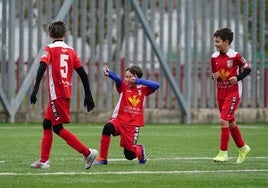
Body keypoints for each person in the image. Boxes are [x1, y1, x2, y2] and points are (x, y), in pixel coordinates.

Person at [30, 20, 98, 169]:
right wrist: (88, 94)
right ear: (65, 34)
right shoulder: (71, 51)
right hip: (65, 93)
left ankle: (87, 153)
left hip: (57, 95)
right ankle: (43, 161)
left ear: (49, 34)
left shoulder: (49, 49)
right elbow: (83, 73)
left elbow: (42, 67)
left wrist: (34, 90)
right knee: (47, 124)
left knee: (58, 128)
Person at [93, 64, 159, 165]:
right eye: (126, 76)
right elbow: (118, 80)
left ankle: (139, 150)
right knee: (107, 128)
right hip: (119, 120)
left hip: (132, 125)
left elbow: (156, 85)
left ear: (136, 77)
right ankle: (102, 158)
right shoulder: (123, 86)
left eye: (129, 77)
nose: (127, 79)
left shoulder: (144, 89)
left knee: (129, 155)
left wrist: (139, 81)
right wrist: (109, 74)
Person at [211, 27, 251, 164]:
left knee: (223, 120)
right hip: (221, 92)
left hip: (233, 92)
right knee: (231, 122)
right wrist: (214, 76)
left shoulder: (236, 56)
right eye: (214, 41)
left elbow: (248, 69)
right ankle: (243, 148)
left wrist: (238, 78)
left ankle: (223, 153)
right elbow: (216, 74)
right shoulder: (214, 57)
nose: (215, 44)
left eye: (217, 42)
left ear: (226, 42)